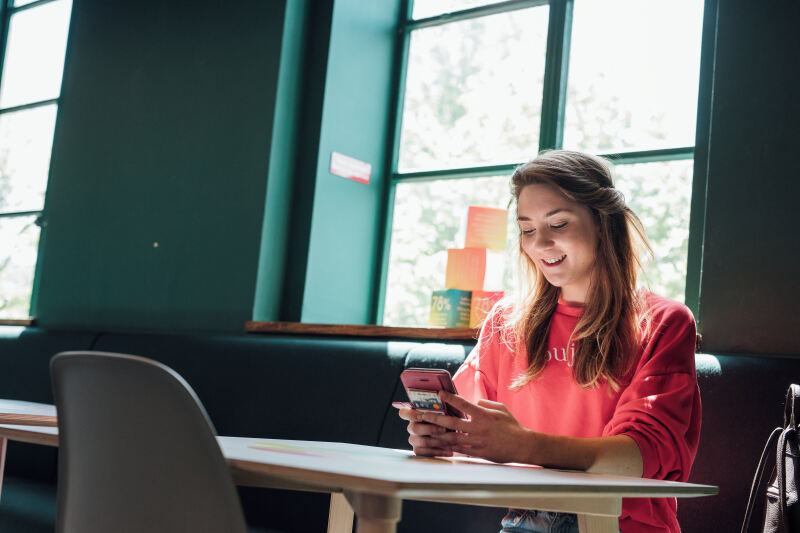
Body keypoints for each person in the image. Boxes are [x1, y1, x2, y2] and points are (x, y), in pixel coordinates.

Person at [397, 150, 701, 533]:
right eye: (526, 229)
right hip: (524, 524)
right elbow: (470, 426)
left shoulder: (663, 322)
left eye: (557, 223)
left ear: (602, 223)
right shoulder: (507, 322)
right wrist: (440, 438)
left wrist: (523, 445)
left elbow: (642, 456)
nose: (539, 244)